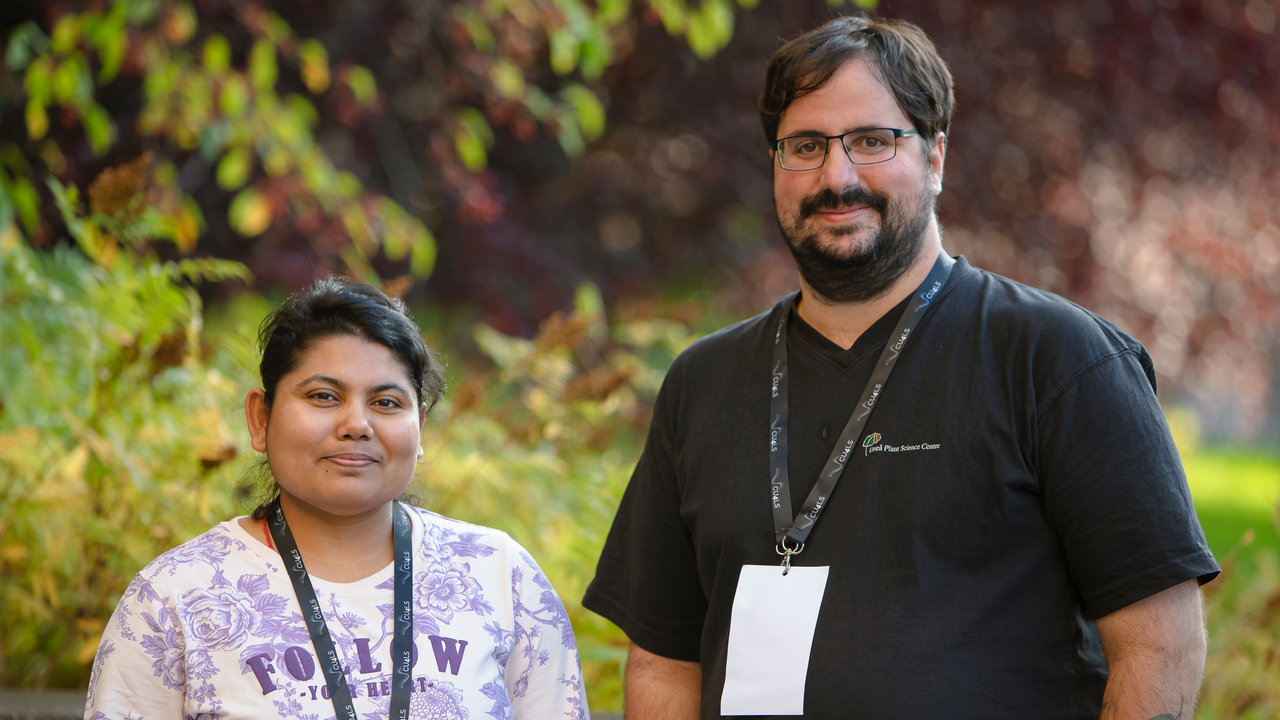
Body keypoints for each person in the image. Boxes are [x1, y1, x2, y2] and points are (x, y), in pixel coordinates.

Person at [583, 14, 1219, 720]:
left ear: (936, 156)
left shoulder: (1057, 359)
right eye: (805, 146)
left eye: (872, 141)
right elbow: (665, 664)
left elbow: (1159, 647)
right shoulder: (702, 384)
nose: (837, 175)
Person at [85, 278, 589, 720]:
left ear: (421, 428)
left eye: (387, 403)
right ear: (260, 419)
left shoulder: (502, 577)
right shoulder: (172, 599)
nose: (356, 426)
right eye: (324, 396)